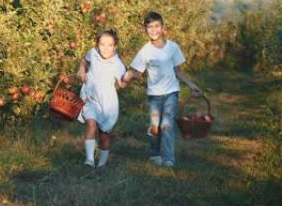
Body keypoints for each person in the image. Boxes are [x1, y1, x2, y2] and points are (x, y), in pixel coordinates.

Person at [122, 11, 202, 168]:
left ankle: (168, 159)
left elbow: (178, 71)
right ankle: (155, 153)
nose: (153, 30)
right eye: (149, 27)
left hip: (171, 93)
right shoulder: (145, 51)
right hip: (154, 95)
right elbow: (138, 72)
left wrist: (192, 85)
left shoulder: (173, 47)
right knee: (155, 126)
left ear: (163, 27)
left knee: (166, 124)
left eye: (156, 26)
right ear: (145, 29)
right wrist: (128, 75)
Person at [76, 28, 128, 168]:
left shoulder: (118, 64)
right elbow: (84, 61)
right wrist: (81, 70)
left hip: (107, 104)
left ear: (115, 46)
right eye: (102, 44)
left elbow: (122, 84)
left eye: (109, 45)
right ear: (97, 45)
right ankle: (89, 160)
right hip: (91, 98)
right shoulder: (92, 54)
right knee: (91, 125)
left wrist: (128, 78)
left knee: (104, 135)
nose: (105, 48)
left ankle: (102, 163)